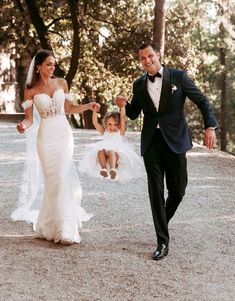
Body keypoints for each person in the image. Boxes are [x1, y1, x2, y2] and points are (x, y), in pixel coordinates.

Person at [116, 42, 217, 260]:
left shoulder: (178, 77)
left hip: (176, 141)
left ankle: (161, 221)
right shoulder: (139, 84)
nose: (147, 61)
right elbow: (134, 113)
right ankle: (162, 241)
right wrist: (123, 105)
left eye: (150, 56)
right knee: (156, 191)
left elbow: (202, 100)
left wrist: (210, 126)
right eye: (142, 58)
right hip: (152, 142)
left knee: (178, 191)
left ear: (158, 54)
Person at [12, 49, 99, 245]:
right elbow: (28, 120)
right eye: (49, 64)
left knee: (61, 177)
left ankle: (65, 229)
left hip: (63, 135)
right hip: (45, 138)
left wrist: (87, 106)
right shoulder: (31, 90)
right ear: (39, 67)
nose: (53, 68)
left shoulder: (62, 83)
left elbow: (68, 109)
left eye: (54, 64)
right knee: (53, 181)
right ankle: (49, 225)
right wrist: (22, 127)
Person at [78, 106, 144, 181]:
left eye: (115, 124)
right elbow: (95, 123)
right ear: (105, 124)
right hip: (105, 152)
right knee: (100, 151)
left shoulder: (120, 132)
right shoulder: (105, 131)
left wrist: (122, 107)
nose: (112, 127)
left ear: (119, 125)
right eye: (109, 124)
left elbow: (122, 117)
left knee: (110, 151)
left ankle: (113, 169)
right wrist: (94, 111)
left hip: (115, 154)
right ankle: (103, 169)